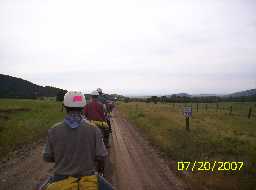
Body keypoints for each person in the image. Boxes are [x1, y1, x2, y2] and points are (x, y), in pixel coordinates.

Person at [42, 91, 112, 190]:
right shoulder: (94, 129)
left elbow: (47, 157)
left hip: (60, 178)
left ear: (64, 106)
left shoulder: (53, 130)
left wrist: (61, 157)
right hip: (88, 177)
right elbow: (102, 155)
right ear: (83, 107)